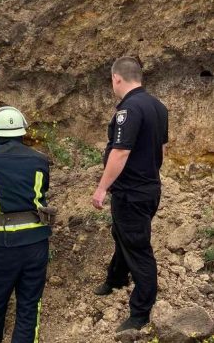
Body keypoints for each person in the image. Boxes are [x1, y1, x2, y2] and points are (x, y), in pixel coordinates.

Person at [91, 56, 169, 332]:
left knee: (138, 246)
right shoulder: (158, 106)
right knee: (122, 234)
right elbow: (160, 150)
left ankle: (141, 311)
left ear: (116, 78)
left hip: (132, 193)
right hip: (148, 189)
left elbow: (120, 151)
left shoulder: (129, 109)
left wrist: (102, 188)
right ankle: (116, 278)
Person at [0, 106, 51, 343]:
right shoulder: (40, 159)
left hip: (4, 241)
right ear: (22, 131)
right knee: (29, 306)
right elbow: (43, 189)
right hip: (37, 240)